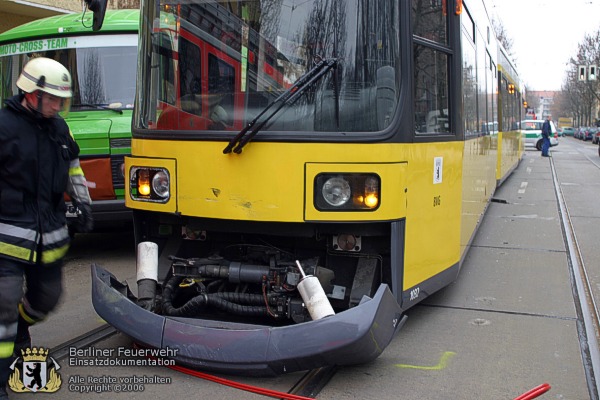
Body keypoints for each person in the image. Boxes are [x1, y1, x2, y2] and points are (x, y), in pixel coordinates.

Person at [0, 57, 93, 398]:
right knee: (4, 302)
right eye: (51, 98)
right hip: (6, 236)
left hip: (49, 236)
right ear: (31, 93)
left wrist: (84, 204)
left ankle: (20, 328)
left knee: (46, 299)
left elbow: (74, 168)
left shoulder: (59, 129)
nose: (57, 105)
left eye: (60, 100)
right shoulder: (4, 126)